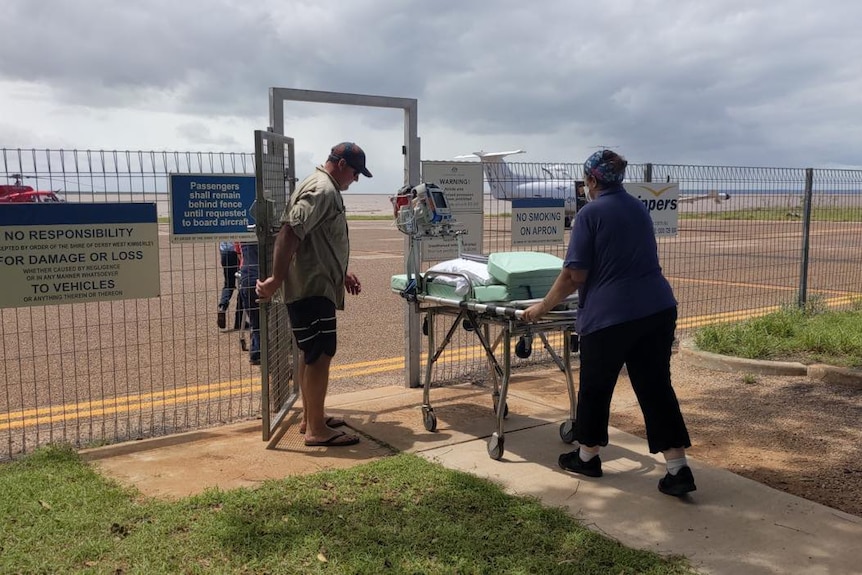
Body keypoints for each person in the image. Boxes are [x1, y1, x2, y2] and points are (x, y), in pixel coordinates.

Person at [522, 149, 696, 497]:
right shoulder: (637, 209)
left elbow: (575, 275)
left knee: (596, 387)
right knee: (656, 387)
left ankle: (587, 457)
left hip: (612, 317)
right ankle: (678, 469)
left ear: (591, 180)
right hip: (657, 310)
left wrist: (541, 308)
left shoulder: (591, 214)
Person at [256, 142, 370, 447]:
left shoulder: (320, 185)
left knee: (312, 353)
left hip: (315, 283)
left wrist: (340, 272)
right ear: (342, 164)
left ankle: (311, 418)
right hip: (311, 287)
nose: (355, 180)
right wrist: (275, 279)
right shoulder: (323, 189)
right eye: (356, 172)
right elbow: (290, 231)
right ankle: (317, 430)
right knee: (321, 354)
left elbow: (316, 238)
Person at [238, 241, 260, 365]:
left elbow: (239, 254)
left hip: (247, 278)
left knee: (255, 321)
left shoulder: (244, 237)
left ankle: (256, 351)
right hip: (260, 276)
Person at [216, 241, 241, 330]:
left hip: (225, 251)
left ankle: (223, 306)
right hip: (237, 250)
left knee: (228, 284)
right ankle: (239, 320)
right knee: (241, 285)